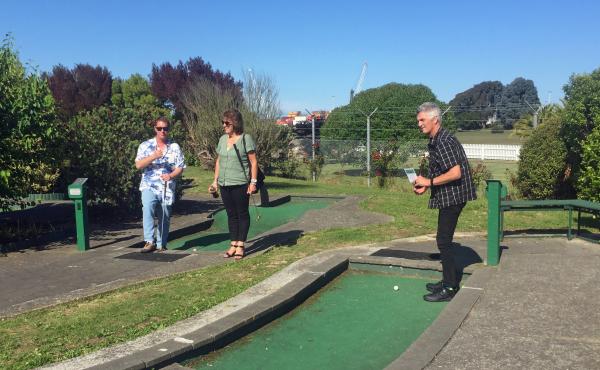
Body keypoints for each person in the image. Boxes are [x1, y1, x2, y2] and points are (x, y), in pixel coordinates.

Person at [413, 102, 477, 302]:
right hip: (448, 195)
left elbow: (455, 173)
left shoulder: (444, 141)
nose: (419, 124)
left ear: (435, 120)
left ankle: (450, 287)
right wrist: (427, 185)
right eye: (418, 120)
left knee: (443, 241)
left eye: (422, 120)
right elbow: (444, 170)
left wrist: (429, 181)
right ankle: (446, 280)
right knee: (444, 240)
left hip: (454, 196)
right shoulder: (436, 139)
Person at [209, 109, 258, 260]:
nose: (224, 125)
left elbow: (253, 162)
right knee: (231, 215)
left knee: (241, 213)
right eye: (223, 122)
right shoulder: (222, 139)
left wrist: (253, 182)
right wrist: (215, 181)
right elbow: (218, 161)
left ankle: (241, 245)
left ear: (235, 123)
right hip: (224, 183)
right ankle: (233, 243)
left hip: (240, 183)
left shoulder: (245, 138)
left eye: (227, 123)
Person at [135, 117, 185, 253]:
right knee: (148, 209)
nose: (162, 131)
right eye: (159, 128)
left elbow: (180, 167)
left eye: (165, 128)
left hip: (167, 187)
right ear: (155, 129)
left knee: (165, 215)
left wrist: (171, 175)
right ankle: (149, 241)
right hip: (148, 185)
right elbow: (138, 165)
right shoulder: (145, 145)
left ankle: (161, 244)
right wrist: (154, 156)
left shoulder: (174, 147)